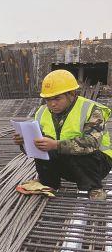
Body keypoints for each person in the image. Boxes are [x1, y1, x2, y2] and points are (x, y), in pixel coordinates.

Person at [14, 69, 111, 200]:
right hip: (67, 164)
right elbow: (36, 148)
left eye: (57, 98)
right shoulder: (42, 112)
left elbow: (92, 143)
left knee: (83, 151)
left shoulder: (91, 109)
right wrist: (25, 142)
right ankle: (49, 183)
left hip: (97, 164)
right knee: (43, 143)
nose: (52, 104)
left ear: (71, 94)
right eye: (48, 99)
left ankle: (94, 188)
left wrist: (56, 145)